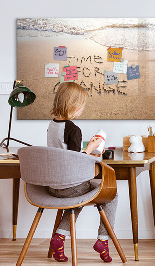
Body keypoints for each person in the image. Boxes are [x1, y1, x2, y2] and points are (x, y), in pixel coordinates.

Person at [47, 82, 118, 263]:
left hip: (53, 186)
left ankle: (60, 238)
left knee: (77, 198)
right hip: (70, 186)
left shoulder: (52, 125)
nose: (82, 109)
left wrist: (88, 150)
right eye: (82, 105)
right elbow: (75, 161)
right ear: (73, 104)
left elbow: (64, 155)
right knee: (112, 194)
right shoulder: (73, 129)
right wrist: (91, 148)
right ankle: (103, 240)